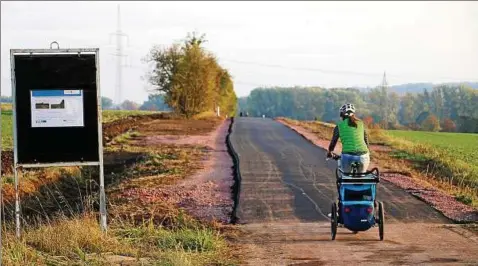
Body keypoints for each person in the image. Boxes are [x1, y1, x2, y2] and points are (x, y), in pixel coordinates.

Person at [327, 103, 370, 174]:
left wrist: (330, 152)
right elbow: (365, 139)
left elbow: (333, 141)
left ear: (342, 114)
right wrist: (367, 152)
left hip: (348, 155)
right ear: (353, 113)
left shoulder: (339, 126)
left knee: (346, 177)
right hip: (364, 155)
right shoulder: (361, 124)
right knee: (362, 176)